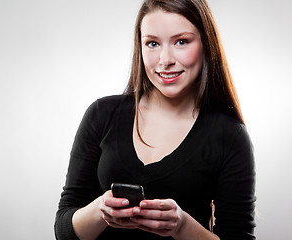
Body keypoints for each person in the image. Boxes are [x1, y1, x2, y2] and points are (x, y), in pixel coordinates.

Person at [54, 0, 256, 239]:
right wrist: (100, 210)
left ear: (206, 44)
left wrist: (181, 227)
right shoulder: (101, 114)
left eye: (181, 41)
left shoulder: (229, 135)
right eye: (152, 43)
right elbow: (64, 231)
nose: (165, 60)